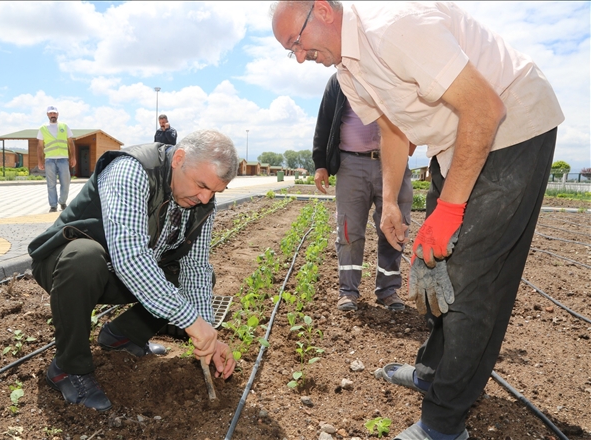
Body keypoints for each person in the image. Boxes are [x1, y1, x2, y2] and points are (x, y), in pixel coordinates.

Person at [272, 2, 563, 439]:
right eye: (288, 50)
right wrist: (390, 202)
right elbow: (394, 129)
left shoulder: (392, 29)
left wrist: (448, 211)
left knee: (469, 278)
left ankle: (443, 426)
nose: (298, 56)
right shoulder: (349, 71)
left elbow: (485, 108)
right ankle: (434, 372)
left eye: (297, 41)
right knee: (436, 265)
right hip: (457, 140)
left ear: (324, 11)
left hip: (511, 126)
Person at [28, 129, 238, 411]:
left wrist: (208, 335)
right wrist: (191, 321)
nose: (205, 198)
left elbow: (196, 267)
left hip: (116, 272)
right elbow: (130, 257)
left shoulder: (201, 203)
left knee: (182, 272)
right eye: (201, 185)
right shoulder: (131, 170)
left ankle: (121, 336)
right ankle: (68, 367)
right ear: (178, 159)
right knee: (85, 257)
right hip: (66, 264)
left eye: (214, 191)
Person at [313, 73, 413, 312]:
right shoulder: (339, 80)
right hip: (351, 164)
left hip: (393, 163)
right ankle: (348, 292)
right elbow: (324, 121)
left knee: (395, 226)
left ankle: (388, 291)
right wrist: (320, 163)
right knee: (349, 230)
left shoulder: (394, 73)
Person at [37, 106, 77, 212]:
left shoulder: (64, 126)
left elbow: (70, 143)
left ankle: (62, 202)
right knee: (51, 184)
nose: (52, 115)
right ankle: (53, 206)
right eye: (50, 113)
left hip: (63, 159)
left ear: (57, 114)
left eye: (54, 113)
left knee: (66, 182)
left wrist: (73, 157)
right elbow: (40, 146)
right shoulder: (43, 128)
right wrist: (40, 161)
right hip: (49, 160)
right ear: (47, 115)